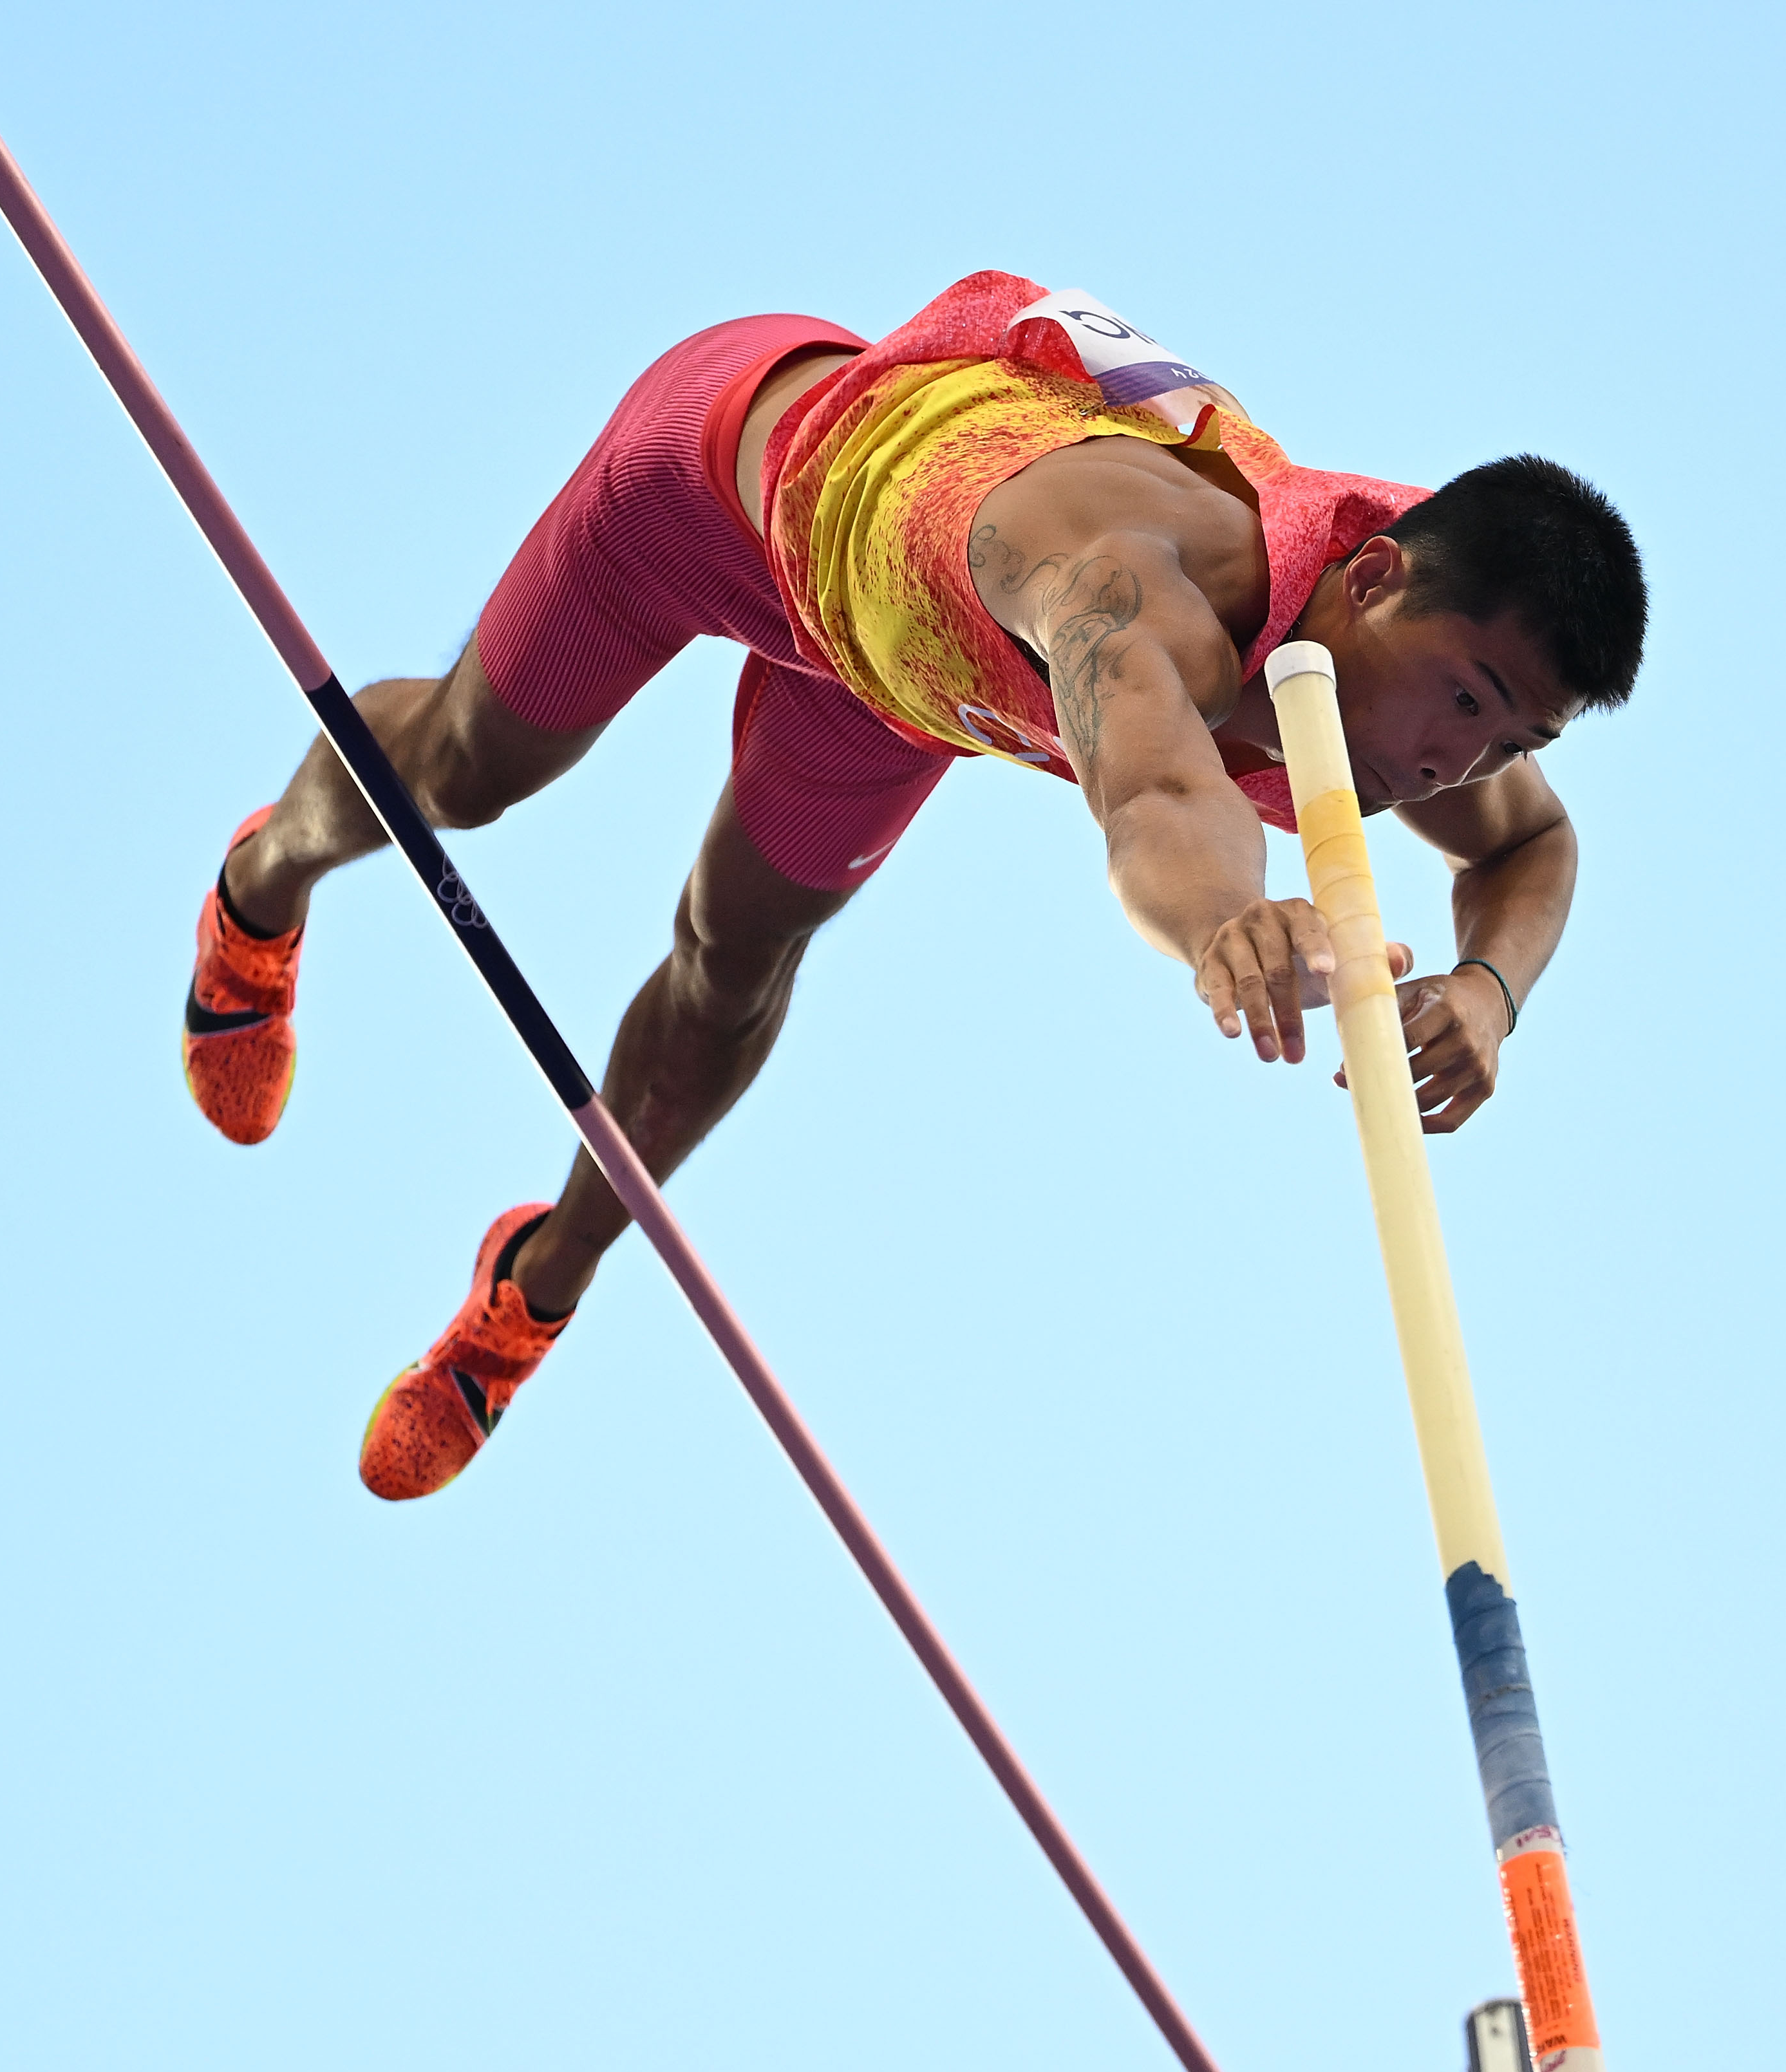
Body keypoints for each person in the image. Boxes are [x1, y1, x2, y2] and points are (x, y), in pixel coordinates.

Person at [182, 271, 1646, 1502]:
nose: (1458, 764)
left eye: (1506, 735)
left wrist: (1489, 988)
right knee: (459, 770)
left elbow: (1533, 847)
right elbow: (1151, 792)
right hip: (718, 493)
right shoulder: (1136, 581)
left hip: (898, 685)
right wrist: (1227, 923)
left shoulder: (1407, 681)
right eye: (1463, 701)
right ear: (1372, 577)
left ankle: (535, 1283)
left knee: (735, 962)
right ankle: (262, 884)